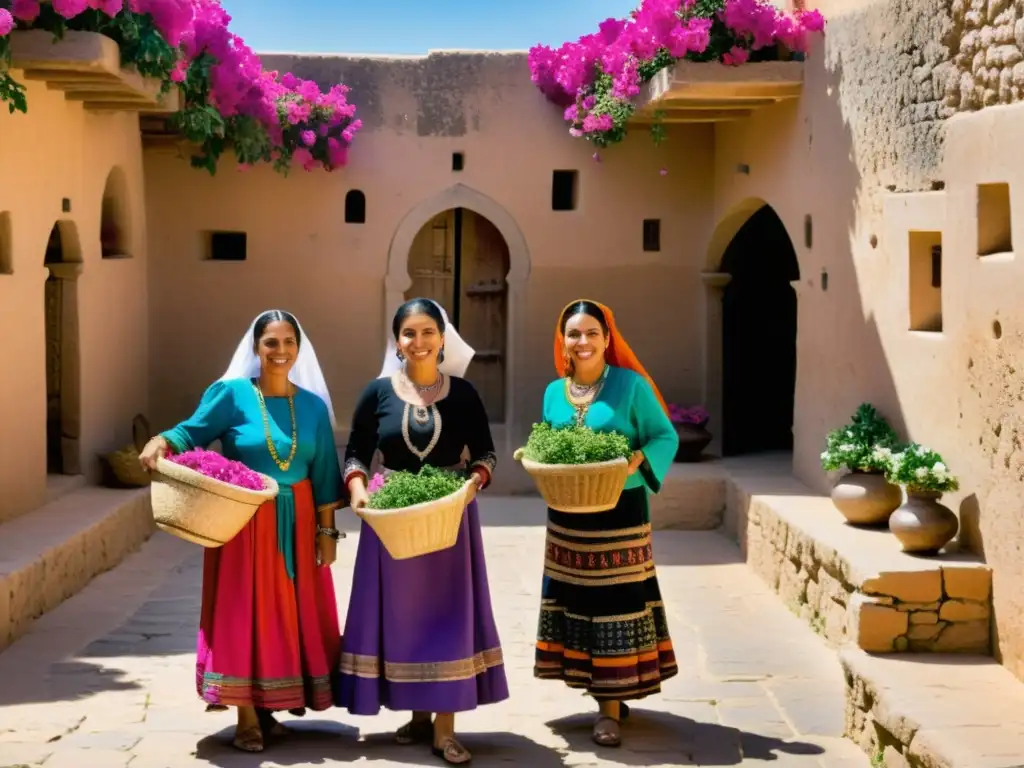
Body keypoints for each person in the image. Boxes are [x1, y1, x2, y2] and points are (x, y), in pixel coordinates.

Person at [139, 309, 344, 753]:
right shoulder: (231, 396)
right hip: (243, 519)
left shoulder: (311, 406)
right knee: (244, 612)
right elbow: (190, 431)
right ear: (256, 348)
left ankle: (271, 707)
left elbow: (326, 473)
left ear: (299, 348)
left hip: (300, 520)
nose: (280, 351)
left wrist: (327, 534)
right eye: (271, 342)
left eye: (289, 342)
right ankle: (246, 717)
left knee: (289, 615)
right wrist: (161, 442)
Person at [336, 298, 509, 765]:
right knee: (402, 616)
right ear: (397, 342)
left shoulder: (465, 394)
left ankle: (445, 729)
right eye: (409, 333)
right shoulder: (377, 394)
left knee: (448, 615)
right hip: (391, 519)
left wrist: (472, 484)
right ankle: (416, 715)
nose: (419, 341)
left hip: (450, 517)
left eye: (428, 332)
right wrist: (357, 490)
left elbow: (486, 454)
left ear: (442, 338)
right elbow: (355, 453)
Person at [533, 299, 680, 748]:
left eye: (591, 333)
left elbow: (664, 435)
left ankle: (610, 709)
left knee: (615, 602)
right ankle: (596, 685)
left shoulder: (631, 386)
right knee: (576, 598)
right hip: (568, 515)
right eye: (574, 334)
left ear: (607, 339)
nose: (582, 342)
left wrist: (633, 467)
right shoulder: (553, 393)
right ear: (564, 341)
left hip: (620, 514)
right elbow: (545, 441)